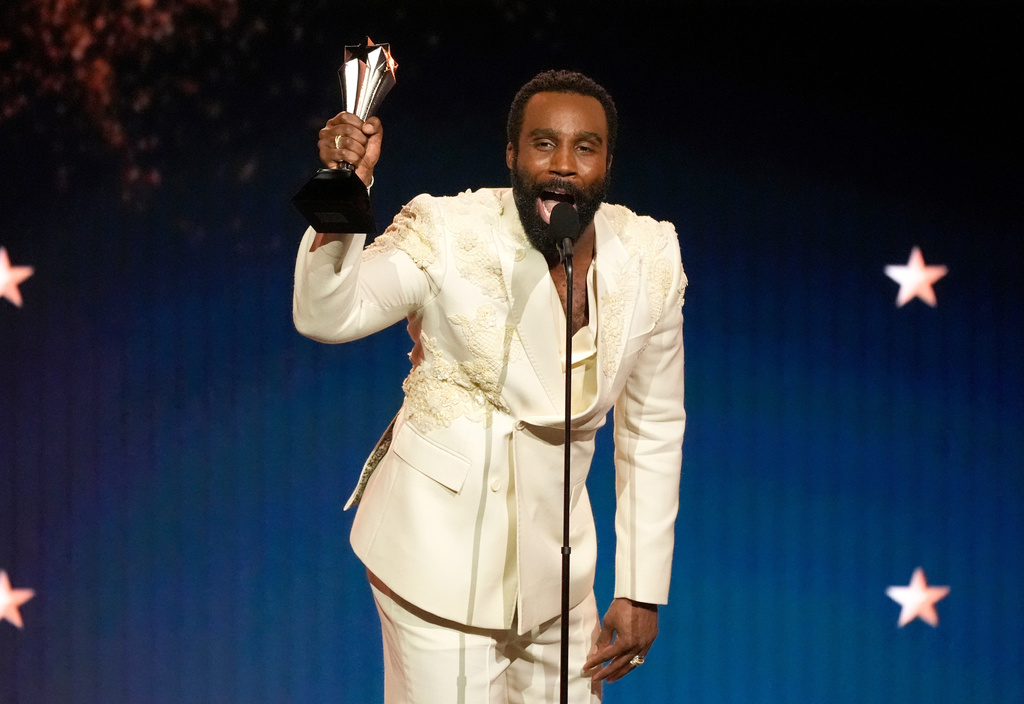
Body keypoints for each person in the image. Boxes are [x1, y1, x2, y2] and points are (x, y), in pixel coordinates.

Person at [293, 69, 686, 703]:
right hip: (433, 570)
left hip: (559, 585)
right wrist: (347, 188)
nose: (562, 165)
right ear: (511, 155)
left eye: (584, 148)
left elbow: (653, 428)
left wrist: (640, 585)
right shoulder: (448, 232)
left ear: (608, 162)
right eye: (542, 144)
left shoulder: (651, 258)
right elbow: (327, 314)